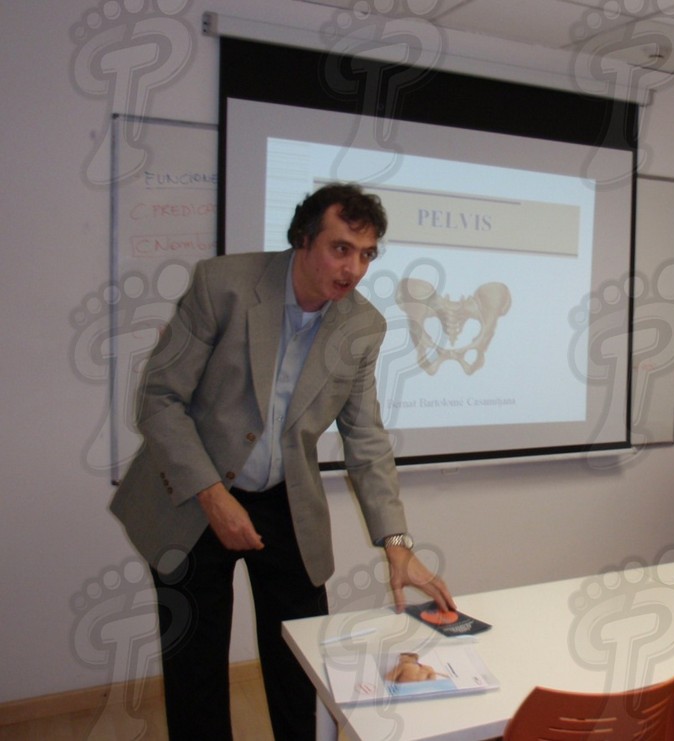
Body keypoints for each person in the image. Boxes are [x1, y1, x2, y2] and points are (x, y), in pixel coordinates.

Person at [110, 183, 455, 740]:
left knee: (302, 658)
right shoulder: (222, 285)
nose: (354, 269)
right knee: (195, 669)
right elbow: (160, 399)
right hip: (193, 494)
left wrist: (397, 544)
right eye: (341, 249)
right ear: (303, 239)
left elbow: (365, 437)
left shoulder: (362, 326)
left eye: (367, 254)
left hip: (283, 498)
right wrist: (213, 496)